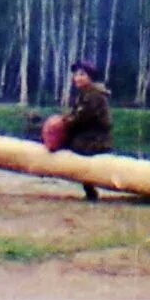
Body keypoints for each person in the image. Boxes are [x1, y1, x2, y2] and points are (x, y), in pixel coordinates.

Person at [42, 60, 112, 200]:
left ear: (89, 77)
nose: (77, 78)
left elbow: (81, 117)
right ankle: (89, 189)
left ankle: (90, 189)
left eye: (82, 74)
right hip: (87, 135)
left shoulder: (94, 95)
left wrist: (63, 122)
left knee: (72, 147)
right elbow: (76, 116)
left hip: (96, 139)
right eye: (76, 75)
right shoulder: (84, 93)